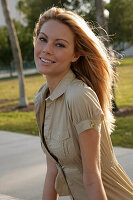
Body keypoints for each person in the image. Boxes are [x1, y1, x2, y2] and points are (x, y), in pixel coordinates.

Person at [33, 7, 133, 200]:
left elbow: (92, 178)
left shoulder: (79, 96)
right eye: (43, 39)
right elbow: (52, 173)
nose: (47, 49)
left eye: (60, 45)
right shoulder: (41, 99)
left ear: (75, 55)